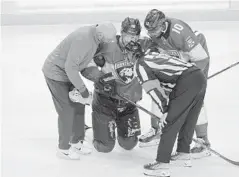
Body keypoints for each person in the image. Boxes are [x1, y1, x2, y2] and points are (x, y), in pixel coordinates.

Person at [139, 9, 211, 158]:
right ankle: (157, 129)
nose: (151, 34)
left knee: (195, 97)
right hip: (175, 56)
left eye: (154, 30)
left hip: (193, 57)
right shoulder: (155, 33)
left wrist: (191, 81)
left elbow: (202, 59)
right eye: (149, 31)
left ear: (163, 24)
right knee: (159, 90)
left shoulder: (180, 32)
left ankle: (203, 141)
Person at [42, 22, 117, 160]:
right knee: (67, 110)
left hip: (69, 73)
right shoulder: (84, 40)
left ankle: (76, 142)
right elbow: (71, 67)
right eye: (107, 40)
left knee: (79, 106)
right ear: (100, 35)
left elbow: (83, 65)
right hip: (56, 73)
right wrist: (83, 92)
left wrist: (101, 78)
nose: (108, 42)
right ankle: (63, 149)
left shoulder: (95, 38)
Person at [134, 48, 207, 176]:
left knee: (169, 122)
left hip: (186, 81)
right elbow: (166, 82)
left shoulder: (139, 64)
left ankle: (162, 163)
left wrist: (165, 110)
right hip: (198, 76)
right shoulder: (153, 56)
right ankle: (183, 153)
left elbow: (153, 89)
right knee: (189, 120)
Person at [86, 17, 143, 153]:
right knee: (104, 147)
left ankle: (117, 128)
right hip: (106, 102)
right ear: (121, 33)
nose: (132, 39)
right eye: (129, 36)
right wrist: (99, 77)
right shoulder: (107, 45)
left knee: (129, 144)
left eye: (135, 36)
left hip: (129, 104)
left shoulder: (143, 47)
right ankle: (89, 131)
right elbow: (86, 62)